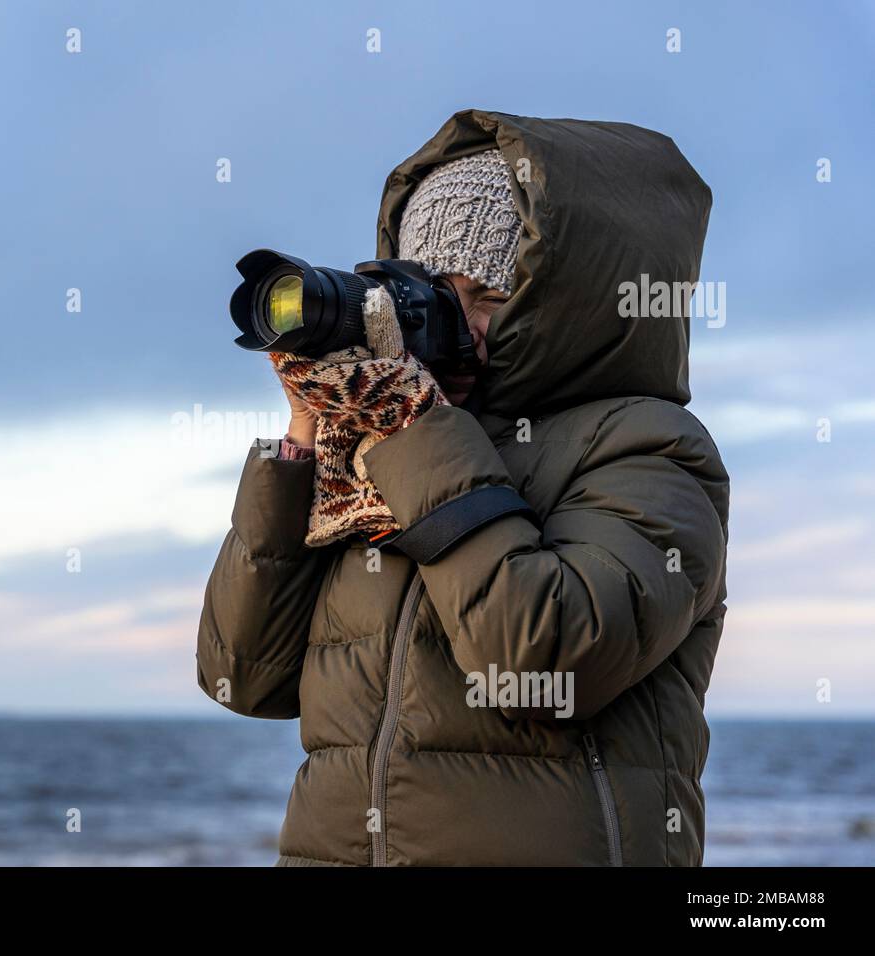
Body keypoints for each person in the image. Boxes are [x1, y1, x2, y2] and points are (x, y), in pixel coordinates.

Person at [195, 109, 730, 866]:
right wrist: (308, 437)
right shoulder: (384, 446)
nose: (451, 322)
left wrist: (417, 431)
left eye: (485, 294)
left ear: (561, 303)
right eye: (431, 292)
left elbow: (540, 663)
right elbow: (240, 677)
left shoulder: (649, 449)